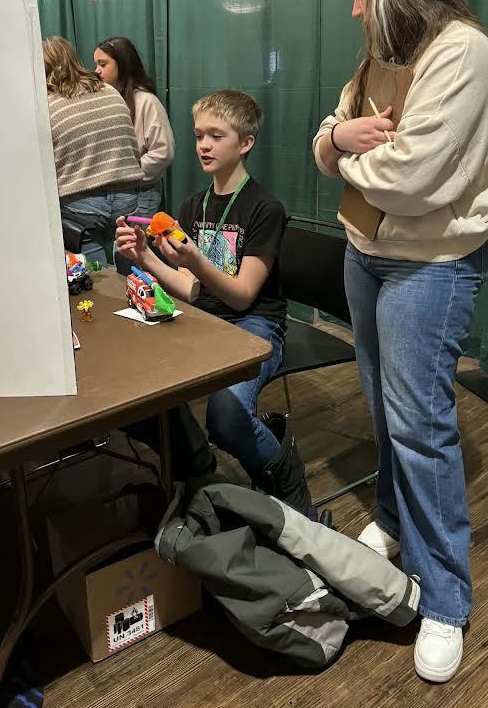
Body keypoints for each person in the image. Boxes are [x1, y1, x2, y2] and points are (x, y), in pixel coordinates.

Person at [312, 0, 488, 682]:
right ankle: (395, 524)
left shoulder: (462, 54)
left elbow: (412, 177)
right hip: (366, 255)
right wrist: (341, 139)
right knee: (382, 409)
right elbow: (325, 139)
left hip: (429, 265)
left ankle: (445, 599)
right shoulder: (384, 53)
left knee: (421, 427)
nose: (355, 11)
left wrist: (347, 147)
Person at [115, 89, 316, 518]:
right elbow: (191, 291)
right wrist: (145, 258)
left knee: (226, 415)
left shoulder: (264, 208)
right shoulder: (195, 204)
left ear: (245, 143)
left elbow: (242, 295)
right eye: (199, 135)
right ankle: (195, 479)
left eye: (216, 135)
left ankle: (286, 482)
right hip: (208, 321)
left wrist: (195, 260)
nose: (203, 145)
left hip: (256, 327)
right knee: (142, 383)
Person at [43, 36, 144, 264]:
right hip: (126, 197)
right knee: (131, 275)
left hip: (80, 202)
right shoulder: (110, 92)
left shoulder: (48, 106)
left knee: (98, 280)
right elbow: (132, 149)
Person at [94, 37, 174, 219]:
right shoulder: (109, 101)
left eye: (103, 64)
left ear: (122, 64)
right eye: (96, 64)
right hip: (113, 195)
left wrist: (126, 172)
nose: (97, 71)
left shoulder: (147, 102)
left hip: (141, 194)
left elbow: (163, 152)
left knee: (133, 246)